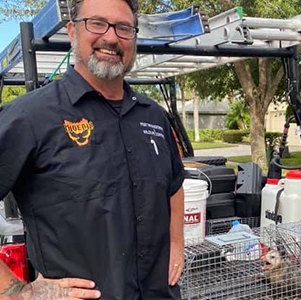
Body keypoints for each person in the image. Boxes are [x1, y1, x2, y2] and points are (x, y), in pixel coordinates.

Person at [0, 0, 185, 299]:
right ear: (72, 30)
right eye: (96, 23)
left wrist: (176, 243)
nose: (111, 38)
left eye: (123, 28)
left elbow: (174, 185)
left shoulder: (154, 116)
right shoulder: (30, 116)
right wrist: (16, 292)